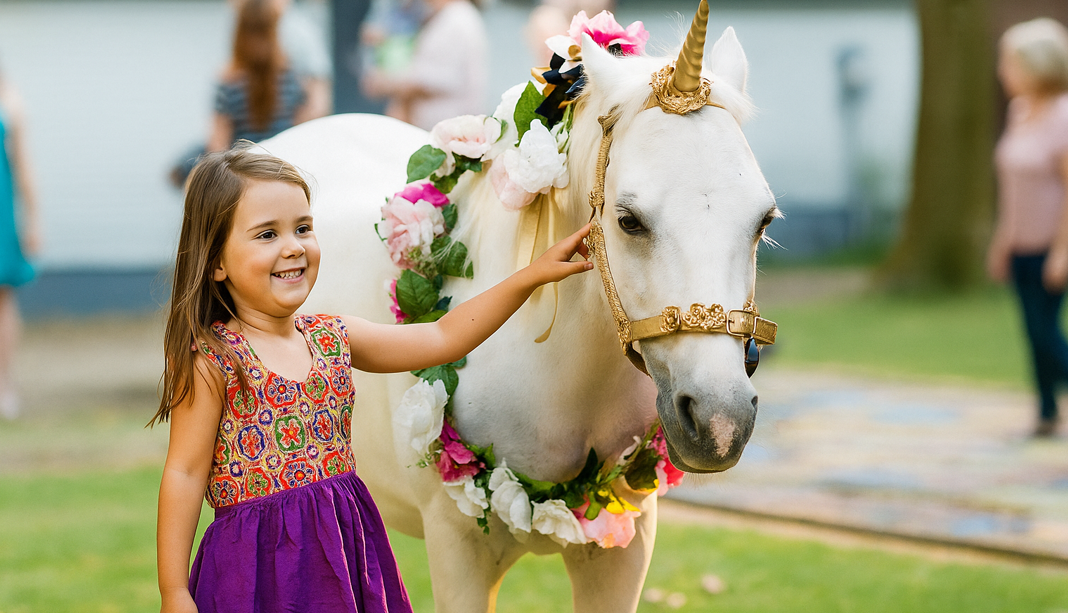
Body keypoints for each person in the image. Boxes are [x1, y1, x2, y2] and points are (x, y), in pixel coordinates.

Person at [152, 145, 592, 612]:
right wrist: (174, 591)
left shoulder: (333, 338)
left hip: (341, 561)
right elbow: (184, 472)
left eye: (303, 228)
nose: (293, 246)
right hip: (256, 574)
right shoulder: (215, 360)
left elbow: (444, 338)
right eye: (266, 234)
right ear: (216, 261)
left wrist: (532, 276)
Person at [988, 17, 1068, 438]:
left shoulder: (1063, 118)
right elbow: (1012, 187)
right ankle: (1046, 410)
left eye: (1010, 63)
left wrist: (1061, 251)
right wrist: (1002, 241)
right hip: (1019, 244)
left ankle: (1051, 402)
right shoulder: (1019, 114)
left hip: (1050, 246)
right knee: (1033, 333)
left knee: (1046, 333)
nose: (1003, 72)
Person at [362, 0, 487, 130]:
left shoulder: (456, 20)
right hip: (433, 130)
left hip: (442, 131)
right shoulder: (449, 16)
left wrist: (385, 84)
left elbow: (431, 81)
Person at [0, 65, 40, 420]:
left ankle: (5, 386)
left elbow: (22, 166)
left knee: (4, 300)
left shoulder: (9, 103)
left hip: (2, 216)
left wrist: (32, 220)